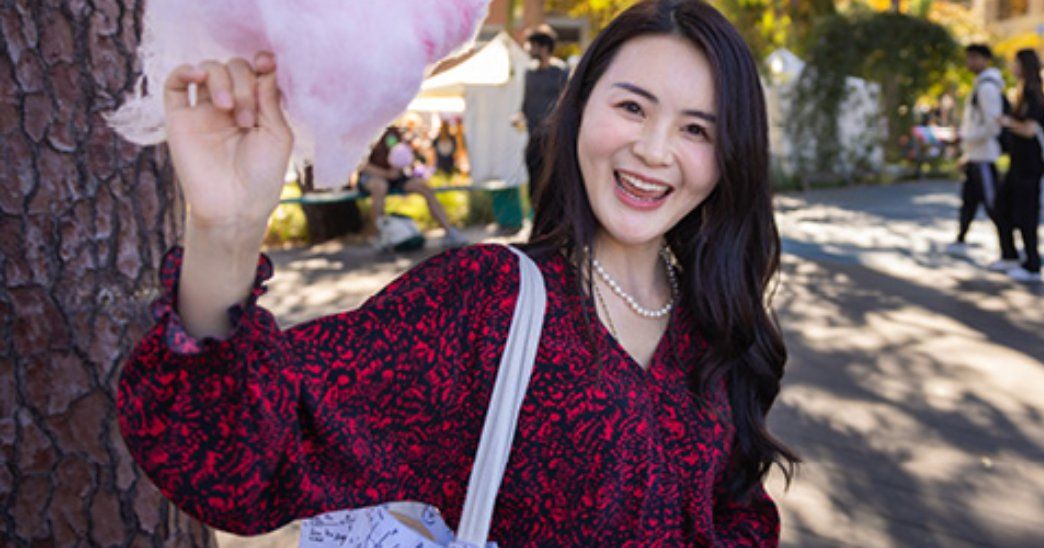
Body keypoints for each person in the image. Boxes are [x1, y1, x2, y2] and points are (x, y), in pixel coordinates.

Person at [115, 1, 796, 544]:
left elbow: (735, 515)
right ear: (579, 110)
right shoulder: (483, 302)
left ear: (729, 157)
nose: (654, 150)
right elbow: (236, 459)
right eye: (632, 107)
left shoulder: (717, 329)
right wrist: (224, 231)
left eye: (696, 130)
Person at [995, 49, 1044, 284]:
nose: (1012, 66)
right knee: (1003, 207)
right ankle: (1010, 255)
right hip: (1020, 163)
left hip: (1029, 165)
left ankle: (1032, 264)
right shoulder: (1023, 92)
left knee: (1027, 214)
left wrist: (1007, 122)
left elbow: (1030, 129)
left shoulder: (1033, 94)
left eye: (1015, 62)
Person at [359, 125, 466, 249]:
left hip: (396, 175)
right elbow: (361, 165)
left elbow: (402, 156)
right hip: (374, 176)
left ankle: (449, 231)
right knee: (379, 187)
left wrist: (398, 169)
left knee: (423, 186)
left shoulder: (394, 133)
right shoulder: (367, 131)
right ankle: (380, 236)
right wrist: (385, 174)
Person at [948, 43, 1006, 259]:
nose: (969, 62)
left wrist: (967, 138)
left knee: (993, 205)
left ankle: (1008, 251)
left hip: (984, 157)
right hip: (975, 156)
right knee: (969, 202)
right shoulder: (980, 85)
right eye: (968, 57)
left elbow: (993, 125)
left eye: (973, 57)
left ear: (984, 59)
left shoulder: (987, 88)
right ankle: (961, 238)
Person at [517, 24, 571, 229]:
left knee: (554, 184)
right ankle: (537, 225)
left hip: (554, 139)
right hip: (533, 138)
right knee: (534, 183)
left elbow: (568, 105)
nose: (530, 50)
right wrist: (519, 117)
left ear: (545, 47)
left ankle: (556, 227)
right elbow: (525, 103)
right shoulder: (529, 74)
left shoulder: (561, 72)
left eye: (533, 46)